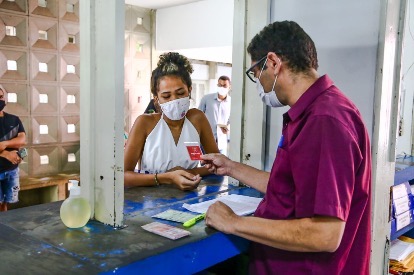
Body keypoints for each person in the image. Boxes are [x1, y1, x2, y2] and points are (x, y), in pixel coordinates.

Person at [201, 21, 372, 274]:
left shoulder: (323, 120)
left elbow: (325, 234)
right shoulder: (313, 112)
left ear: (273, 62)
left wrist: (233, 223)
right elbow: (290, 188)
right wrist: (230, 168)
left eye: (256, 74)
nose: (258, 83)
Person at [124, 52, 219, 190]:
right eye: (166, 96)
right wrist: (167, 177)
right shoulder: (145, 123)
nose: (174, 100)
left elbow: (217, 164)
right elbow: (124, 176)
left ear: (189, 90)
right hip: (149, 202)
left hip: (190, 198)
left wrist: (188, 173)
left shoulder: (197, 119)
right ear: (156, 99)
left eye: (180, 93)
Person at [0, 85, 26, 212]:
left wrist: (4, 144)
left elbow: (22, 139)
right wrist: (5, 154)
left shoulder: (14, 119)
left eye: (1, 97)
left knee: (6, 203)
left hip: (12, 171)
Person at [198, 76, 231, 154]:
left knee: (221, 165)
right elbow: (199, 116)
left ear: (229, 87)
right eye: (220, 85)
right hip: (206, 140)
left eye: (224, 85)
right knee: (206, 165)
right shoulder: (206, 99)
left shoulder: (231, 102)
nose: (222, 87)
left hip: (221, 142)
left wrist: (228, 128)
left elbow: (231, 120)